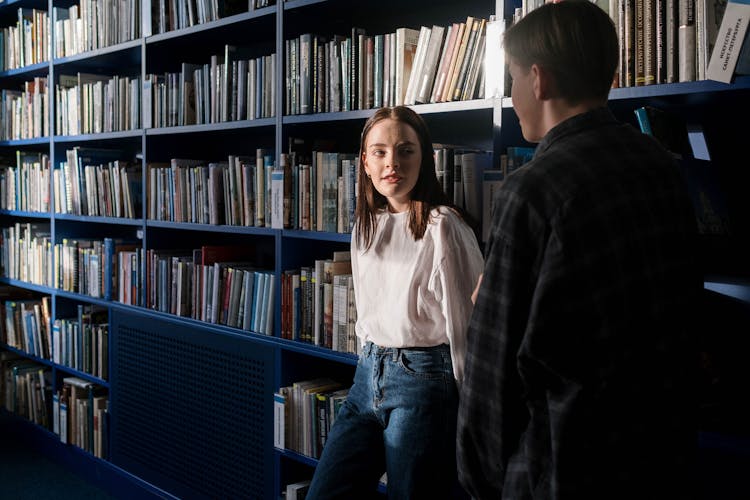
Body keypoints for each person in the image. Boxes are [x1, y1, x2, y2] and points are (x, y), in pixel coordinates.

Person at [457, 1, 701, 499]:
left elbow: (493, 368)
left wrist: (481, 480)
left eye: (513, 78)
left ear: (539, 80)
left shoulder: (533, 190)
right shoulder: (661, 165)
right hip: (661, 454)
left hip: (564, 468)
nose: (513, 93)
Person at [306, 105, 483, 499]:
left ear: (425, 159)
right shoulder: (365, 226)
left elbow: (467, 326)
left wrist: (472, 412)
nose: (393, 163)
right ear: (365, 162)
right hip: (368, 373)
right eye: (381, 152)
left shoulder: (444, 227)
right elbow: (368, 312)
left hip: (424, 380)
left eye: (406, 151)